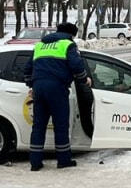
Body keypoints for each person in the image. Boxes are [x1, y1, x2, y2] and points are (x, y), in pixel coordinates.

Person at [24, 22, 89, 171]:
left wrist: (31, 86)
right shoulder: (68, 45)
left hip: (39, 88)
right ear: (71, 34)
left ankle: (35, 163)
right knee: (60, 125)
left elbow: (28, 68)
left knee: (38, 126)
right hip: (57, 88)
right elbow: (77, 66)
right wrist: (84, 79)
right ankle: (63, 160)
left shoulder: (40, 46)